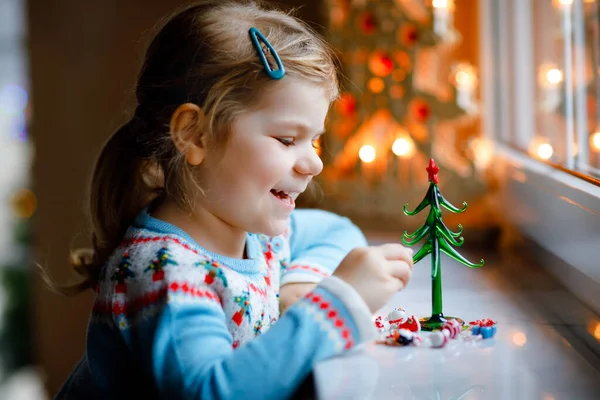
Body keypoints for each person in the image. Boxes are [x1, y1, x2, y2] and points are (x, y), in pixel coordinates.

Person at [53, 1, 414, 399]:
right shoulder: (164, 273)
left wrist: (298, 285)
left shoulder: (252, 234)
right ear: (195, 135)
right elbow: (213, 391)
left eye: (315, 140)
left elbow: (335, 230)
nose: (313, 163)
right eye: (287, 139)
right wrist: (337, 305)